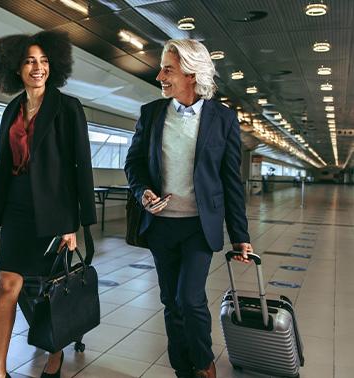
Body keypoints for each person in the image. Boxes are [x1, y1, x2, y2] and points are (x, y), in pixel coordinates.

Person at [124, 39, 253, 378]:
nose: (160, 76)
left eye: (168, 69)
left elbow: (230, 181)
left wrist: (241, 236)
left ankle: (204, 363)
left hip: (198, 226)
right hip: (161, 226)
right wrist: (143, 193)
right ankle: (183, 368)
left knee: (190, 299)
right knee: (170, 300)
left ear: (192, 74)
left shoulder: (222, 119)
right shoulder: (151, 114)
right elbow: (134, 164)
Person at [0, 30, 96, 378]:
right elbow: (4, 165)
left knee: (50, 290)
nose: (38, 67)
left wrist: (73, 223)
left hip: (54, 210)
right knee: (8, 286)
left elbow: (81, 166)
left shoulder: (67, 107)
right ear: (15, 68)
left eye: (44, 61)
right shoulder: (11, 109)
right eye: (30, 61)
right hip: (17, 206)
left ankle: (55, 354)